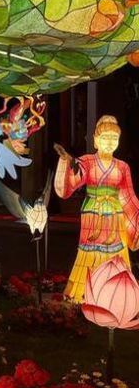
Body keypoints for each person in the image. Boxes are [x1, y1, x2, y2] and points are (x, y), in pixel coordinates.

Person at [54, 114, 139, 302]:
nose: (109, 142)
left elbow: (128, 196)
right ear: (95, 140)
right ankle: (83, 293)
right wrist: (67, 163)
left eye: (114, 138)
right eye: (105, 138)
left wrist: (135, 219)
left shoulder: (123, 167)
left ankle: (117, 295)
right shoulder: (87, 161)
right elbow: (73, 180)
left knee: (116, 253)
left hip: (115, 216)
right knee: (89, 253)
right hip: (93, 215)